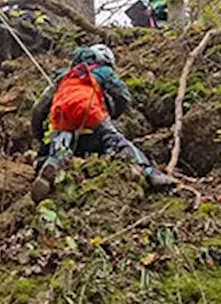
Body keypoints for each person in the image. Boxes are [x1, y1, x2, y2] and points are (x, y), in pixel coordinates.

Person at [29, 44, 177, 202]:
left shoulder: (65, 76)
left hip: (62, 118)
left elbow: (38, 110)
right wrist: (112, 114)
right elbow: (123, 96)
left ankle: (51, 165)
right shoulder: (104, 71)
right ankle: (148, 171)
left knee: (61, 146)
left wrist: (39, 136)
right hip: (91, 112)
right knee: (115, 141)